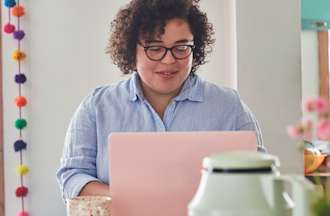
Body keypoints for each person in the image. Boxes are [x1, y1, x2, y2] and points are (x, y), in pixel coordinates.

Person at [57, 0, 265, 200]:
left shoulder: (229, 106)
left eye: (181, 48)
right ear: (131, 50)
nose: (169, 60)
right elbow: (72, 176)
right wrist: (127, 199)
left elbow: (261, 177)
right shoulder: (97, 107)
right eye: (155, 48)